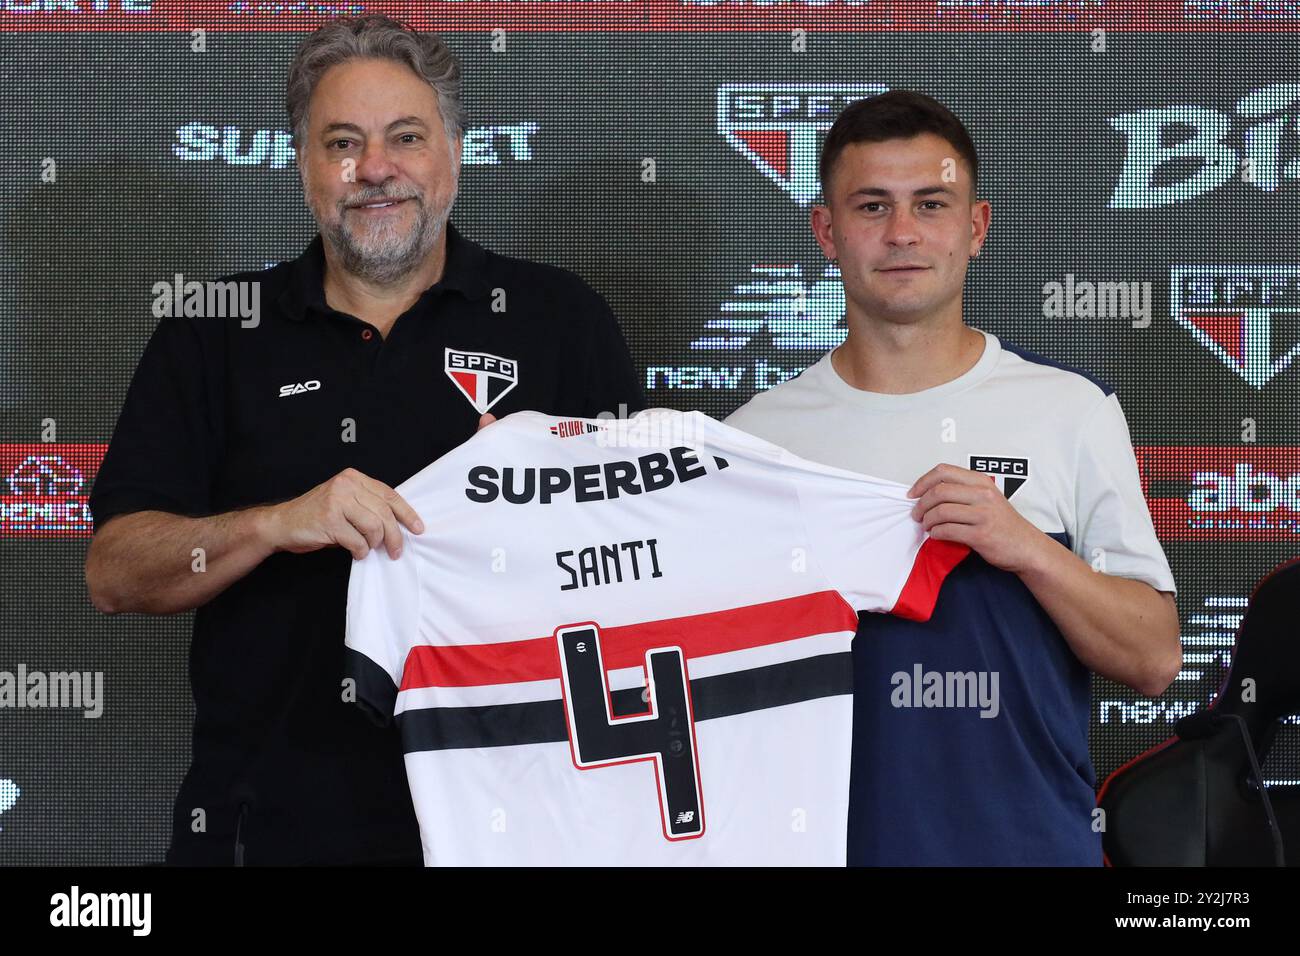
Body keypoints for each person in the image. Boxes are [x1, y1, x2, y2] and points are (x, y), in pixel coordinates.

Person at [84, 14, 644, 865]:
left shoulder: (560, 321)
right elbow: (115, 572)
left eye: (405, 138)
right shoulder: (213, 330)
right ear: (302, 164)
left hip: (525, 823)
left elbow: (649, 568)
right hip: (263, 830)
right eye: (342, 141)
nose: (375, 168)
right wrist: (275, 523)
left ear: (453, 153)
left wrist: (539, 501)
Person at [726, 90, 1180, 866]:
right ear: (826, 232)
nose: (902, 233)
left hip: (1029, 846)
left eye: (930, 204)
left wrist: (1026, 547)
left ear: (975, 229)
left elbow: (1155, 661)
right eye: (872, 207)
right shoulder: (754, 439)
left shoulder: (1070, 411)